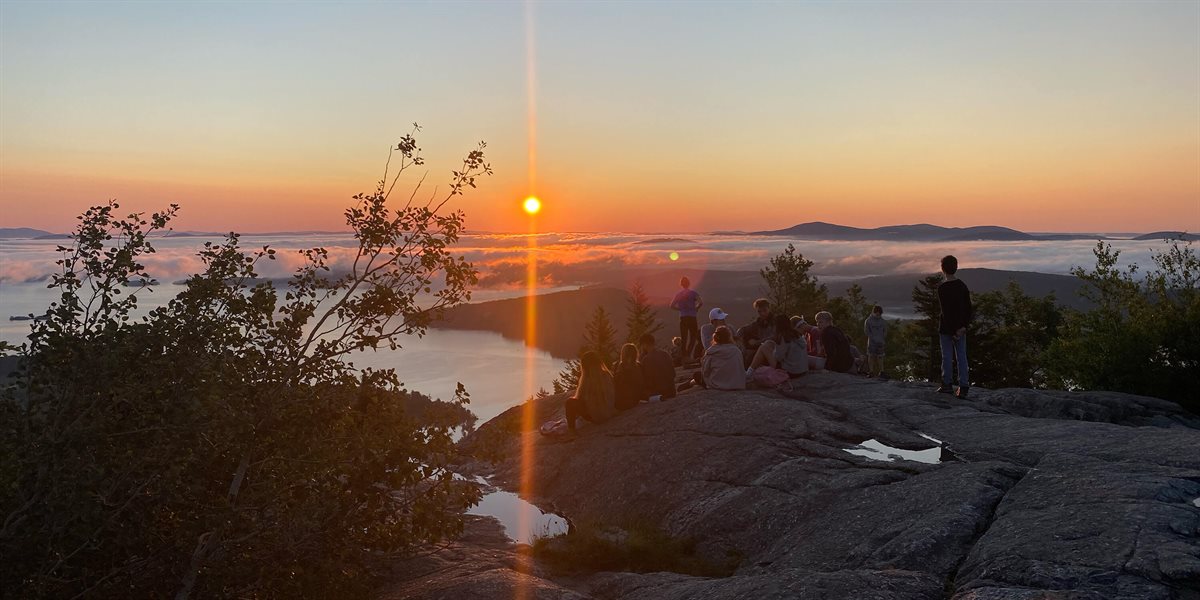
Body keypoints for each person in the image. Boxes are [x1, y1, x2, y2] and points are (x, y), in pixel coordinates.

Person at [937, 255, 972, 398]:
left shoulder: (942, 288)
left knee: (946, 357)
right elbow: (968, 308)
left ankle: (947, 384)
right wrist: (963, 327)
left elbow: (946, 312)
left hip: (947, 330)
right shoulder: (962, 285)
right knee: (962, 357)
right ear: (956, 267)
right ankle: (963, 387)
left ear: (942, 269)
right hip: (961, 330)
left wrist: (952, 331)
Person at [565, 351, 616, 433]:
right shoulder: (607, 375)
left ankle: (571, 430)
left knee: (570, 402)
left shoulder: (587, 379)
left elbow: (581, 398)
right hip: (608, 413)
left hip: (595, 416)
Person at [669, 276, 703, 362]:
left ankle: (684, 357)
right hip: (692, 317)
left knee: (684, 338)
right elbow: (701, 302)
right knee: (693, 337)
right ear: (689, 283)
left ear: (681, 284)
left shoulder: (678, 294)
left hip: (683, 317)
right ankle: (688, 355)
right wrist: (696, 308)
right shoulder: (693, 293)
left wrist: (680, 309)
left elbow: (671, 306)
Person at [736, 298, 775, 368]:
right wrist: (737, 338)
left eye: (764, 310)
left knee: (749, 356)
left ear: (769, 308)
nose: (762, 313)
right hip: (761, 349)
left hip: (772, 351)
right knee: (744, 353)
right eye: (759, 312)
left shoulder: (775, 322)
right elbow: (744, 329)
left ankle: (747, 374)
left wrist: (757, 342)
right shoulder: (759, 322)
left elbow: (773, 337)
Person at [638, 333, 677, 400]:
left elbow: (647, 381)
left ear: (644, 345)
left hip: (659, 394)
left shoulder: (646, 359)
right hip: (671, 391)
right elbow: (673, 374)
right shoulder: (665, 354)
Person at [614, 343, 646, 410]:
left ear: (623, 354)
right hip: (639, 396)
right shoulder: (639, 366)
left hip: (626, 400)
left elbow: (618, 385)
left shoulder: (620, 367)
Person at [864, 305, 887, 378]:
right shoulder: (868, 320)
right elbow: (866, 331)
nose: (878, 315)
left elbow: (885, 330)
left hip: (881, 342)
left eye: (879, 313)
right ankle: (871, 372)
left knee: (880, 357)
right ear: (873, 312)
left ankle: (882, 372)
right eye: (877, 313)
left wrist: (882, 338)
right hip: (871, 342)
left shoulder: (882, 321)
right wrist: (873, 338)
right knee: (871, 356)